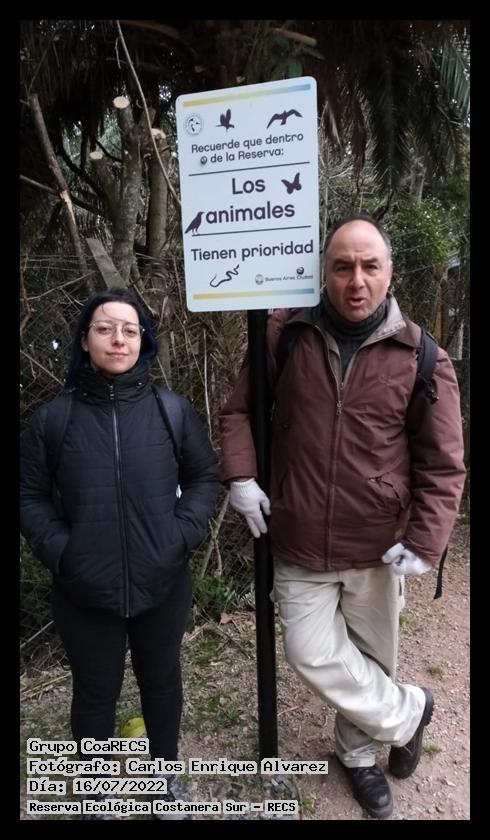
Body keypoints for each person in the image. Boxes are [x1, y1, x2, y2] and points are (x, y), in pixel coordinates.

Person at [219, 214, 466, 819]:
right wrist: (241, 476)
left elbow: (443, 462)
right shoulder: (284, 335)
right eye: (343, 266)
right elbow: (239, 411)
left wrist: (425, 539)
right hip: (298, 534)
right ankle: (409, 713)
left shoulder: (422, 357)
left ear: (389, 272)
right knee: (309, 651)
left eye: (369, 266)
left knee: (373, 659)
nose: (357, 280)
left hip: (377, 544)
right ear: (324, 273)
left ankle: (357, 756)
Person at [21, 287, 219, 820]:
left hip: (163, 582)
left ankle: (164, 784)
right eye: (105, 328)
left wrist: (181, 535)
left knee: (162, 682)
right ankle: (95, 795)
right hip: (84, 589)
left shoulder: (171, 411)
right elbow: (29, 497)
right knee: (94, 694)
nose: (118, 339)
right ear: (85, 340)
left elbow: (204, 476)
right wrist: (64, 553)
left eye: (130, 330)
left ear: (143, 342)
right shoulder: (53, 420)